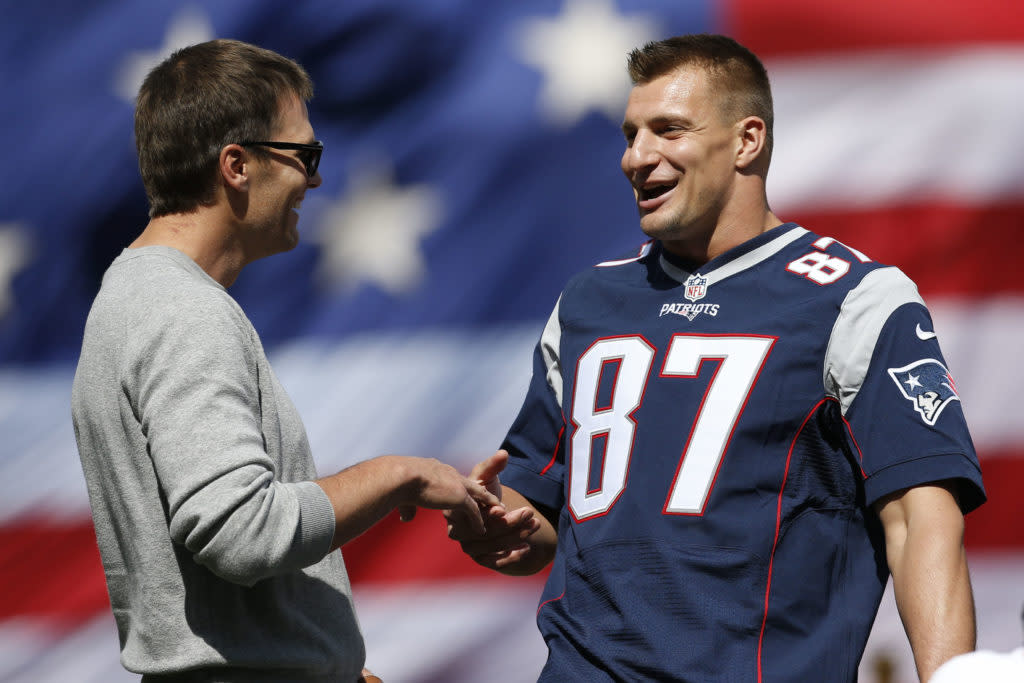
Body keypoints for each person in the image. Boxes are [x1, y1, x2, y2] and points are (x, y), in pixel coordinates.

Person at [446, 34, 985, 682]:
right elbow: (540, 513)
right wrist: (499, 523)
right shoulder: (589, 301)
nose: (637, 157)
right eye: (630, 133)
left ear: (747, 140)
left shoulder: (854, 297)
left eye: (667, 129)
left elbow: (921, 520)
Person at [71, 39, 499, 682]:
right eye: (304, 155)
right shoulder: (178, 309)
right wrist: (399, 475)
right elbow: (241, 532)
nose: (316, 178)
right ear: (236, 165)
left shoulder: (140, 296)